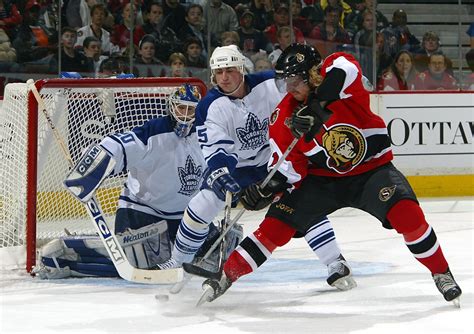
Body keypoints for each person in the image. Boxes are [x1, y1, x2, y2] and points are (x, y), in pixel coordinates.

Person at [200, 43, 462, 306]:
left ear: (314, 74)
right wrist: (265, 190)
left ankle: (442, 272)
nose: (290, 89)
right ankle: (225, 276)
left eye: (296, 81)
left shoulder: (340, 77)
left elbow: (344, 69)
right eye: (285, 82)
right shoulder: (285, 117)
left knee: (407, 215)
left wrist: (317, 105)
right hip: (321, 180)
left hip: (372, 171)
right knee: (275, 226)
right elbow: (288, 170)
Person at [156, 44, 356, 292]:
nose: (224, 78)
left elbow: (302, 93)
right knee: (203, 202)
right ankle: (177, 262)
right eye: (218, 72)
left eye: (229, 70)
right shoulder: (210, 105)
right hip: (235, 168)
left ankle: (336, 262)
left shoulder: (270, 84)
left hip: (273, 160)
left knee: (300, 201)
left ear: (241, 68)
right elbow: (215, 150)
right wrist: (221, 176)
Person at [38, 84, 240, 278]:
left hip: (183, 217)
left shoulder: (205, 135)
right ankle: (66, 255)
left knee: (220, 248)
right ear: (171, 106)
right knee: (145, 263)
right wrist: (94, 162)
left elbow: (222, 159)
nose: (186, 116)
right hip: (142, 214)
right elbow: (118, 145)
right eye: (181, 108)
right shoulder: (154, 131)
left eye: (191, 110)